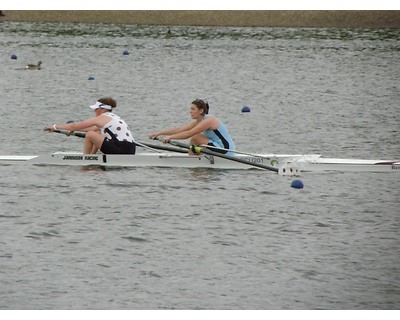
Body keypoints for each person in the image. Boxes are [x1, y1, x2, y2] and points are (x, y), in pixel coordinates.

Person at [44, 97, 136, 154]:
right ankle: (92, 157)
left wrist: (54, 127)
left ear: (102, 109)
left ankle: (86, 159)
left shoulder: (101, 118)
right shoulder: (115, 118)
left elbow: (75, 126)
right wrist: (75, 130)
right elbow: (89, 128)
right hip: (131, 149)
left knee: (91, 134)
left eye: (95, 109)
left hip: (120, 149)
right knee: (96, 132)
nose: (94, 111)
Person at [149, 99, 235, 155]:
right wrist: (159, 133)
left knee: (196, 137)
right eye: (190, 109)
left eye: (193, 109)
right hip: (216, 147)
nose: (190, 111)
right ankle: (194, 157)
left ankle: (192, 159)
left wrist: (170, 137)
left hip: (226, 150)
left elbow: (189, 134)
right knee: (196, 139)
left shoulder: (209, 121)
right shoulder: (198, 121)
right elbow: (179, 129)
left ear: (201, 111)